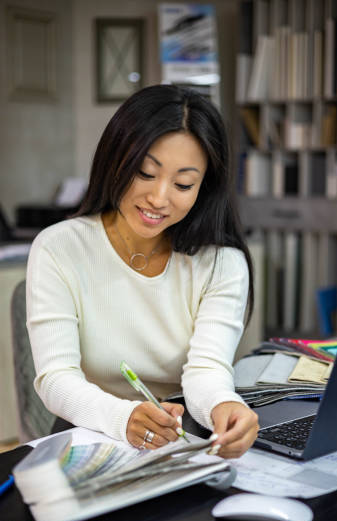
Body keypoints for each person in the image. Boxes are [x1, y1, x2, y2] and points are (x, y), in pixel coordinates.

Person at [26, 84, 259, 459]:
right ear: (114, 160)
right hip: (89, 432)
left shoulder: (222, 262)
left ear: (204, 188)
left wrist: (223, 407)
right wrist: (124, 415)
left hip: (182, 436)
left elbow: (206, 370)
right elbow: (56, 378)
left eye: (183, 184)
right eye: (145, 173)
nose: (159, 198)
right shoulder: (60, 247)